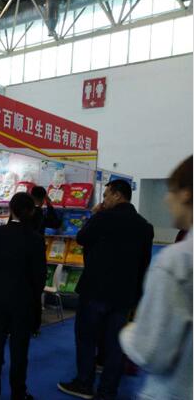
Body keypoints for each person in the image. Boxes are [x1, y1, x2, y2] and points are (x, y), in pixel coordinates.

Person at [58, 179, 154, 400]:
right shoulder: (144, 226)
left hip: (95, 291)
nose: (103, 200)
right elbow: (144, 264)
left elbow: (81, 238)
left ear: (118, 195)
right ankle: (108, 390)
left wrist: (94, 215)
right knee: (115, 344)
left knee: (86, 339)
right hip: (124, 295)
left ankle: (84, 383)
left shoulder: (103, 218)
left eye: (106, 195)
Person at [119, 156, 192, 400]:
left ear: (185, 194)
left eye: (171, 190)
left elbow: (151, 353)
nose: (166, 199)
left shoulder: (175, 261)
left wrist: (130, 332)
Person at [0, 192, 46, 400]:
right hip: (23, 301)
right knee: (19, 350)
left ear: (10, 209)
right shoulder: (35, 239)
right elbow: (39, 277)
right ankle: (18, 393)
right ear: (31, 211)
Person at [29, 186, 62, 337]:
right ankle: (34, 327)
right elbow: (56, 223)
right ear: (44, 198)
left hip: (23, 257)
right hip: (37, 258)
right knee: (36, 295)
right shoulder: (41, 214)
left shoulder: (25, 212)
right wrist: (50, 204)